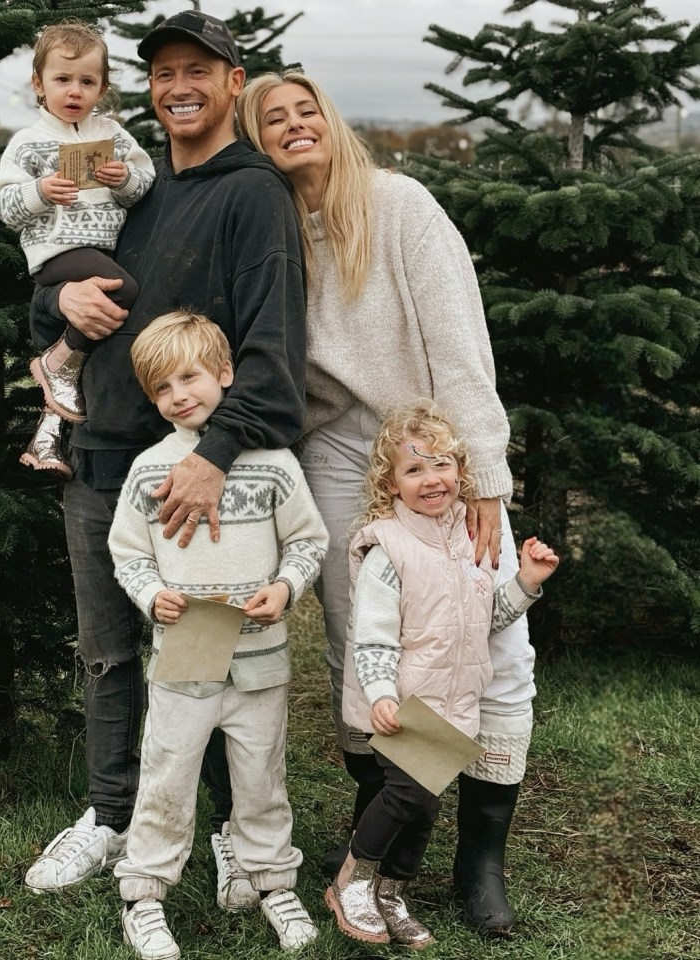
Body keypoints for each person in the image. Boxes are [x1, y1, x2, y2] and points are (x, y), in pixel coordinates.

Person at [21, 10, 308, 925]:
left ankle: (229, 829)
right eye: (160, 73)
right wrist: (55, 300)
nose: (177, 86)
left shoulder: (252, 193)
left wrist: (215, 457)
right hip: (101, 455)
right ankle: (110, 816)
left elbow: (272, 347)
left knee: (207, 654)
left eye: (197, 70)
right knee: (110, 653)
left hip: (199, 475)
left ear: (234, 82)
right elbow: (70, 291)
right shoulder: (138, 189)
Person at [237, 71, 539, 934]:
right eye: (273, 119)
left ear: (329, 122)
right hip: (335, 450)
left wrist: (482, 470)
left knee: (496, 634)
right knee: (359, 642)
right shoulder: (271, 228)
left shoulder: (398, 204)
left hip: (433, 445)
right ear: (256, 140)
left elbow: (458, 335)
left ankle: (481, 865)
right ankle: (389, 840)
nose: (293, 126)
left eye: (305, 111)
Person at [108, 311, 326, 959]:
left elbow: (308, 541)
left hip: (259, 654)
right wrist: (151, 595)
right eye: (162, 388)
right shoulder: (150, 469)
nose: (178, 395)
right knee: (167, 772)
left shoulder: (272, 462)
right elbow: (128, 554)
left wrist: (285, 588)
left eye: (189, 377)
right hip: (186, 651)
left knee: (261, 774)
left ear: (224, 375)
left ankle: (269, 881)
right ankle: (143, 895)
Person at [322, 405, 558, 947]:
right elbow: (373, 635)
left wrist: (524, 581)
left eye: (442, 465)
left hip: (452, 705)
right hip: (402, 703)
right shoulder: (388, 547)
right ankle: (352, 881)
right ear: (390, 482)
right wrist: (381, 693)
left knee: (424, 808)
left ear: (460, 471)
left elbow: (486, 620)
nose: (432, 479)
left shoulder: (468, 538)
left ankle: (391, 893)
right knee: (405, 795)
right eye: (414, 469)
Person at [0, 20, 155, 474]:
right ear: (39, 84)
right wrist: (41, 191)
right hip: (57, 253)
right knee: (123, 290)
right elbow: (2, 204)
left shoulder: (114, 136)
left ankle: (45, 443)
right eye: (63, 79)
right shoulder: (27, 143)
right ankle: (56, 363)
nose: (75, 91)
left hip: (102, 248)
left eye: (87, 81)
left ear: (102, 87)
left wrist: (124, 180)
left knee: (95, 353)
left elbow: (144, 183)